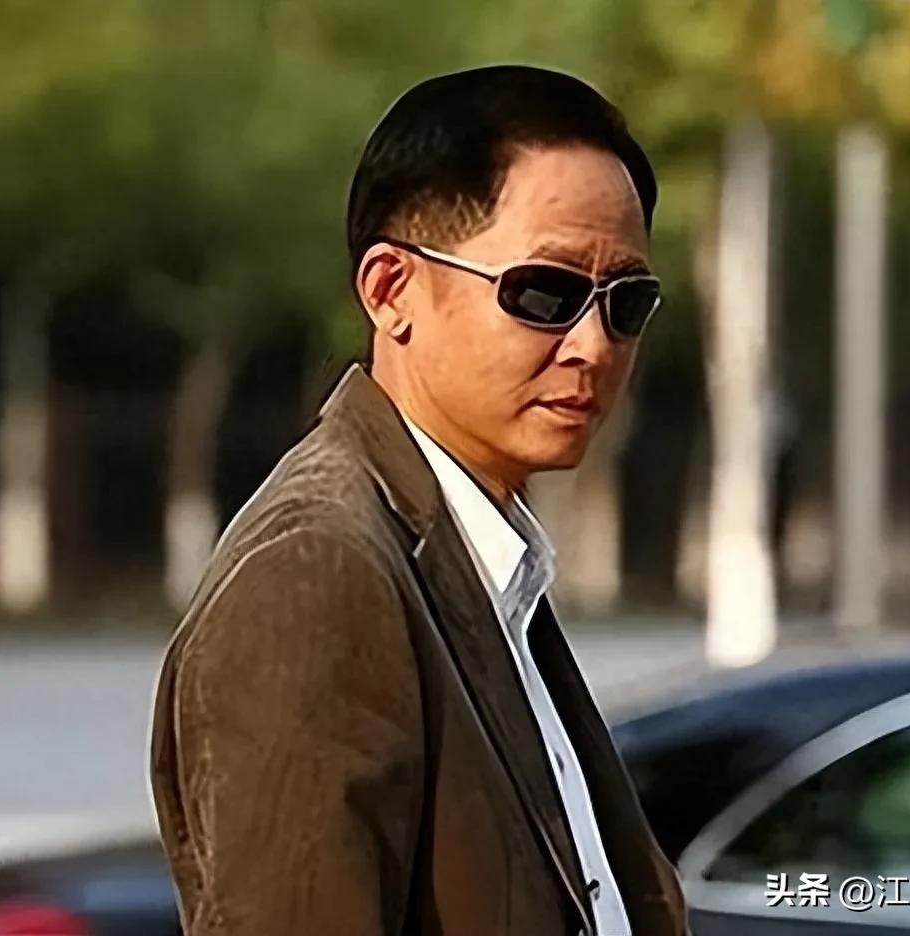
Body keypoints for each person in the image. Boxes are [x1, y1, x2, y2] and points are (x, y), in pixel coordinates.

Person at [149, 64, 689, 936]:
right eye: (545, 293)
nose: (593, 346)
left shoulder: (478, 559)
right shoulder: (317, 575)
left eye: (625, 304)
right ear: (391, 290)